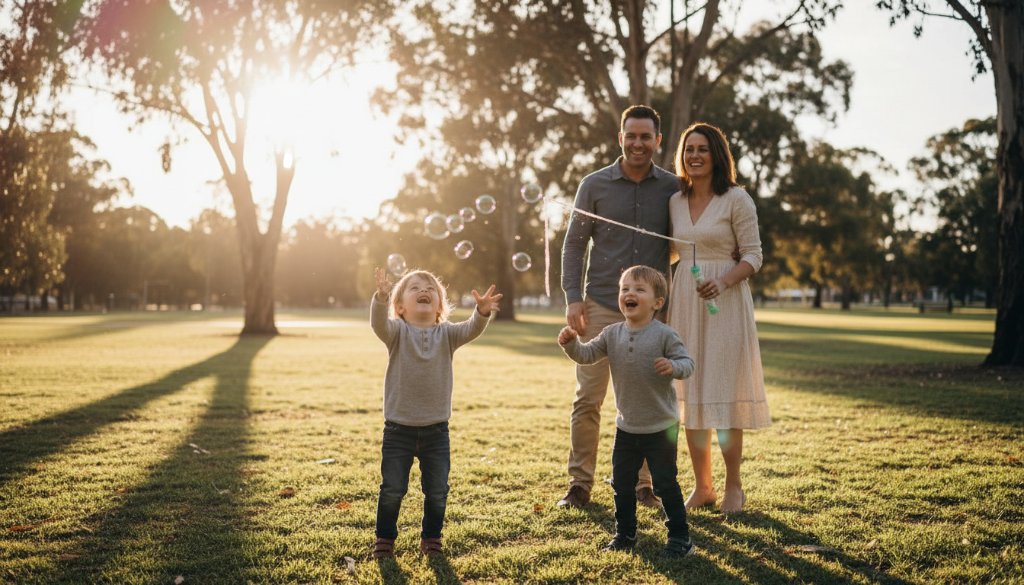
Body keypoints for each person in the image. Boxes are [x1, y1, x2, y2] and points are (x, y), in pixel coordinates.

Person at [559, 105, 680, 510]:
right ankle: (579, 484)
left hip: (651, 315)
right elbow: (574, 244)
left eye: (646, 136)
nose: (638, 143)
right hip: (599, 306)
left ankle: (644, 485)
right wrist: (573, 297)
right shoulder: (593, 185)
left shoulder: (673, 188)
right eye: (631, 135)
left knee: (645, 399)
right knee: (587, 399)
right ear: (620, 137)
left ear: (658, 141)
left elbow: (689, 236)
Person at [666, 122, 771, 514]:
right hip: (686, 302)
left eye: (703, 149)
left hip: (724, 303)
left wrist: (723, 281)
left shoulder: (736, 199)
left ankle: (734, 488)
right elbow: (674, 252)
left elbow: (754, 256)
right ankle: (702, 486)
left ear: (717, 155)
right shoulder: (674, 201)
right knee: (692, 391)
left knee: (723, 392)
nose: (694, 155)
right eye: (689, 149)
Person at [558, 265, 696, 556]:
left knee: (665, 484)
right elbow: (587, 355)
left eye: (639, 289)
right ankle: (625, 534)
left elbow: (688, 364)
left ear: (657, 302)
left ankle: (680, 537)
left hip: (661, 427)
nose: (629, 294)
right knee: (621, 484)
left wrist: (673, 367)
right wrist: (572, 345)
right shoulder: (612, 334)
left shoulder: (664, 335)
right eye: (624, 289)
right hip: (627, 427)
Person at [369, 267, 502, 559]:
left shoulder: (447, 335)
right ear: (400, 306)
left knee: (438, 491)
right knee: (392, 489)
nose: (423, 290)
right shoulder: (397, 332)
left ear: (440, 305)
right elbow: (379, 324)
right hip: (398, 430)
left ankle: (431, 539)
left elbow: (471, 329)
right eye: (414, 288)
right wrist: (380, 298)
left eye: (430, 288)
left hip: (436, 432)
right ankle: (385, 539)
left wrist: (481, 312)